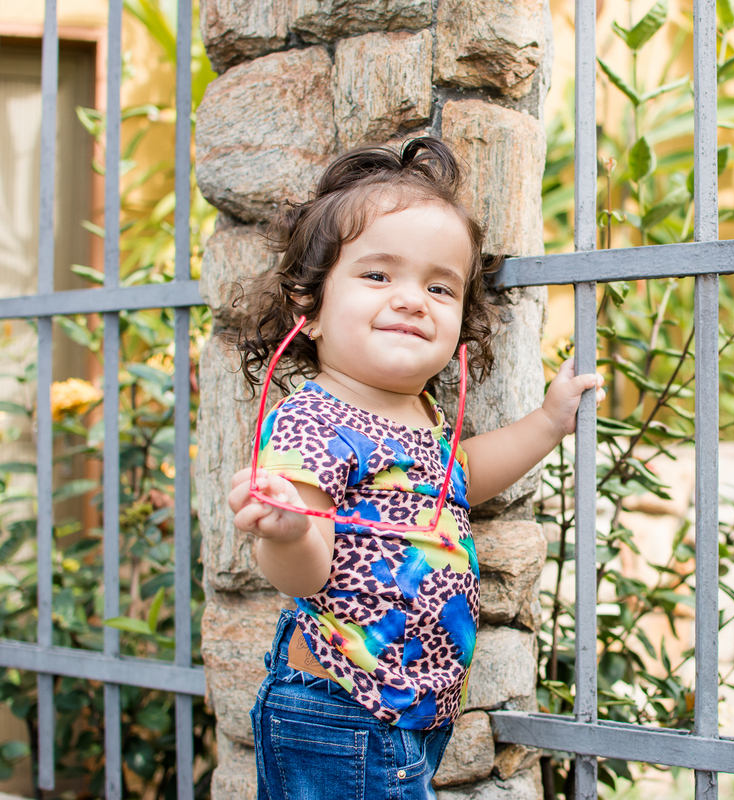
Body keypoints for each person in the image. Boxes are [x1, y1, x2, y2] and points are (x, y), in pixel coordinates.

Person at [223, 137, 603, 800]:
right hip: (341, 709)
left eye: (438, 285)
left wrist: (547, 423)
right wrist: (283, 532)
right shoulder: (316, 420)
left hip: (402, 716)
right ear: (307, 309)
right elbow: (307, 573)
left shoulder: (419, 413)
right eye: (377, 275)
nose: (411, 299)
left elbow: (460, 479)